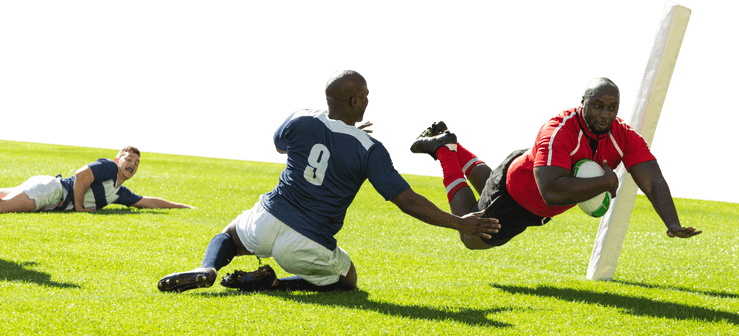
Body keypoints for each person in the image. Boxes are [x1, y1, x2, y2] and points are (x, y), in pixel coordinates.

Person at [157, 69, 500, 293]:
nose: (367, 99)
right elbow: (406, 200)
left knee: (229, 235)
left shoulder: (300, 118)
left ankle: (208, 270)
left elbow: (281, 145)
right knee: (347, 280)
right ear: (354, 101)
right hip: (306, 242)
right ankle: (277, 284)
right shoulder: (371, 150)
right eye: (365, 95)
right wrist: (459, 223)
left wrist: (339, 136)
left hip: (267, 218)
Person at [408, 77, 700, 250]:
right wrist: (606, 182)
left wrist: (672, 223)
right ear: (582, 101)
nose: (605, 115)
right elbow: (551, 190)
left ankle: (452, 144)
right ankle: (445, 150)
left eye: (612, 108)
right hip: (516, 194)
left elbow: (653, 179)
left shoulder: (622, 134)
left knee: (489, 182)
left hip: (526, 182)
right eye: (598, 106)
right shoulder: (560, 129)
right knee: (470, 234)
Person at [0, 146, 193, 212]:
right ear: (118, 160)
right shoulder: (110, 167)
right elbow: (82, 174)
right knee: (3, 207)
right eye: (128, 159)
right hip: (50, 191)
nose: (132, 164)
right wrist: (79, 206)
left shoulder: (118, 192)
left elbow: (147, 202)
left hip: (47, 193)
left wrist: (181, 206)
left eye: (136, 163)